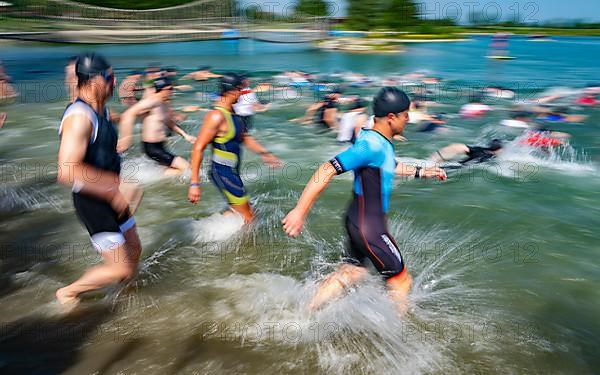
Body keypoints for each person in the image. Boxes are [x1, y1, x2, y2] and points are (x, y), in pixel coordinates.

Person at [282, 87, 447, 314]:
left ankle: (304, 313)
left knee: (352, 272)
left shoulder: (377, 138)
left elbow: (389, 164)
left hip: (358, 220)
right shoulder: (370, 145)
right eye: (405, 115)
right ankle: (394, 338)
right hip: (370, 226)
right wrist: (299, 212)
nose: (408, 119)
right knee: (401, 281)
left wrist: (422, 172)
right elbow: (327, 169)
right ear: (391, 118)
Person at [56, 53, 143, 306]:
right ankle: (69, 292)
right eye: (110, 78)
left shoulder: (101, 110)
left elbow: (107, 135)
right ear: (94, 80)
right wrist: (110, 188)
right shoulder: (79, 117)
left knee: (135, 249)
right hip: (93, 202)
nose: (114, 83)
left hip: (111, 195)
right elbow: (66, 169)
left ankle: (123, 297)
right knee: (121, 268)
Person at [188, 73, 282, 223]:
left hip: (232, 172)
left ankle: (208, 229)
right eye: (241, 90)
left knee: (245, 211)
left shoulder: (234, 114)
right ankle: (246, 245)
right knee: (250, 219)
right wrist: (195, 183)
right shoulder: (216, 116)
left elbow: (245, 137)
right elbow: (198, 148)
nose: (244, 94)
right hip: (223, 173)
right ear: (233, 91)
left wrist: (265, 153)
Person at [118, 77, 195, 176]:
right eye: (170, 89)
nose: (173, 92)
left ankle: (156, 175)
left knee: (181, 168)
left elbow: (169, 122)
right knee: (188, 169)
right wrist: (126, 138)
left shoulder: (164, 104)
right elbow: (128, 114)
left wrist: (185, 135)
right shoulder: (152, 101)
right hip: (153, 148)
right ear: (163, 90)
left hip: (161, 146)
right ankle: (155, 176)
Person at [430, 139, 505, 165]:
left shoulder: (481, 148)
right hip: (459, 166)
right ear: (498, 149)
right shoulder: (490, 157)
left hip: (458, 162)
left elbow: (463, 147)